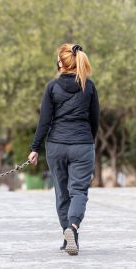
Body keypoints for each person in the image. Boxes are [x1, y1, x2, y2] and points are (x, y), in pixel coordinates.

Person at [28, 43, 99, 256]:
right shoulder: (89, 86)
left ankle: (66, 234)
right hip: (82, 145)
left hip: (56, 146)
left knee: (61, 192)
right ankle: (73, 229)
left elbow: (44, 121)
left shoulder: (52, 87)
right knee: (78, 191)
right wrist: (88, 141)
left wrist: (34, 149)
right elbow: (95, 119)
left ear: (61, 62)